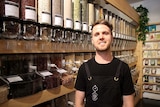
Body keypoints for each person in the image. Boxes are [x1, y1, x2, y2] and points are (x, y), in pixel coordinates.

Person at [74, 19, 135, 107]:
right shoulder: (84, 68)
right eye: (96, 34)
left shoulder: (123, 68)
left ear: (112, 37)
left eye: (105, 33)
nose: (101, 37)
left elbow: (128, 104)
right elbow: (78, 104)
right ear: (92, 40)